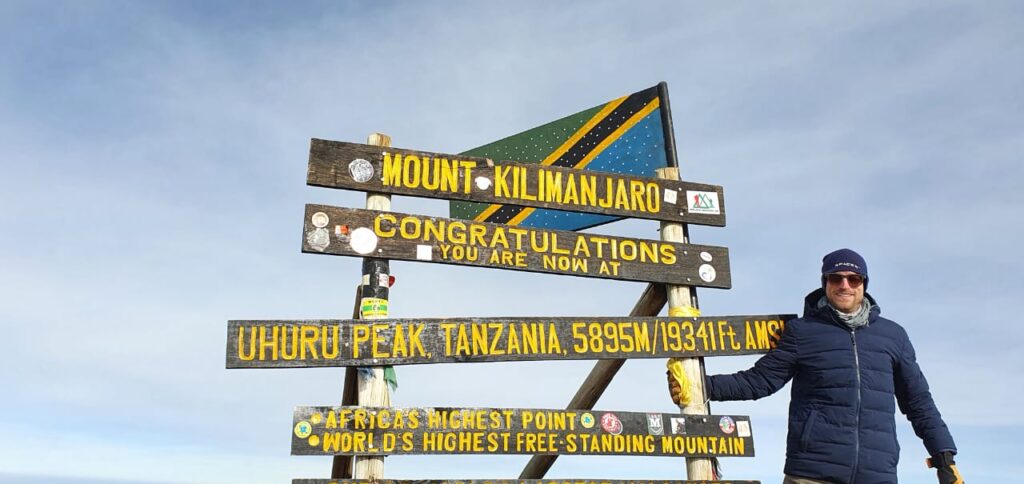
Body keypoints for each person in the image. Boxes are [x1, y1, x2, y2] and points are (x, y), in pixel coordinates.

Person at [668, 249, 963, 483]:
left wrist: (943, 457)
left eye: (854, 278)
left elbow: (918, 402)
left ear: (864, 285)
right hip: (811, 472)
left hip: (877, 474)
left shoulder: (893, 335)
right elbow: (762, 380)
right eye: (836, 278)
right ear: (825, 284)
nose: (845, 284)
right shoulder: (803, 331)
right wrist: (702, 385)